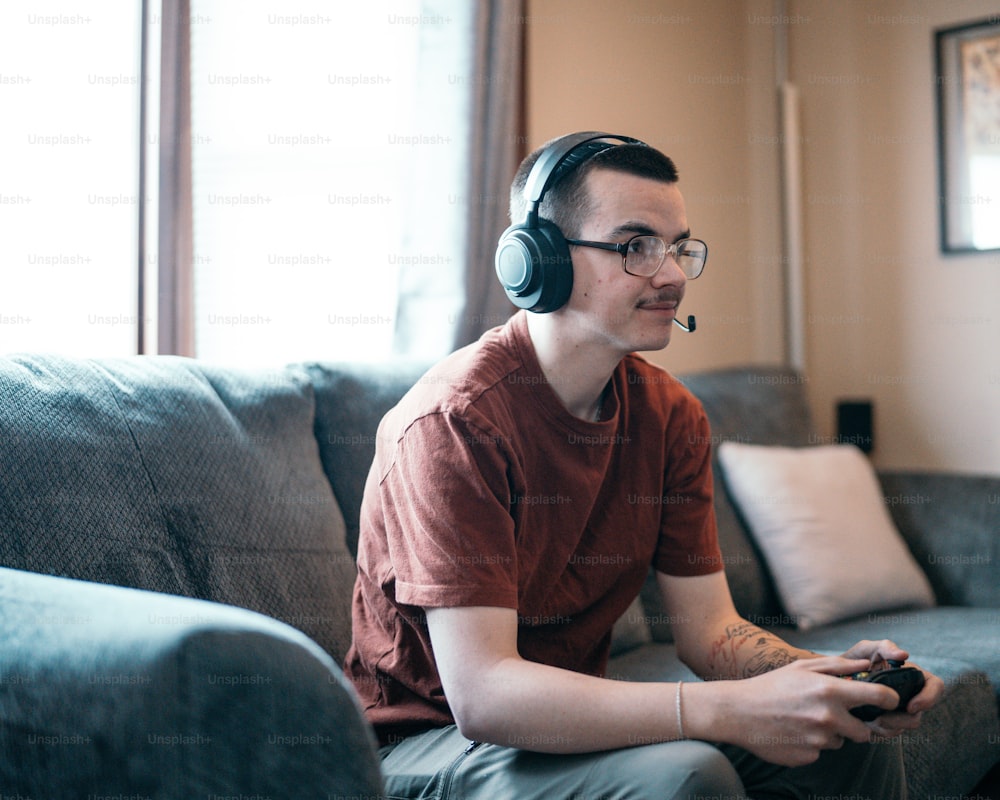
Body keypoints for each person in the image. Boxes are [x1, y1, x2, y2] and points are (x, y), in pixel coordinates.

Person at [344, 131, 943, 799]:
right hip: (426, 745)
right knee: (688, 773)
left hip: (563, 725)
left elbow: (710, 631)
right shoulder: (454, 424)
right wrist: (722, 712)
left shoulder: (669, 416)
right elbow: (486, 697)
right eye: (636, 247)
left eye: (678, 246)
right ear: (538, 261)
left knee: (845, 747)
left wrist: (825, 679)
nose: (673, 274)